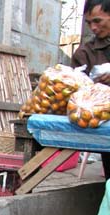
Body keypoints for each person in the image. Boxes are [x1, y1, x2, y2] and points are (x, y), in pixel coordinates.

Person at [71, 0, 110, 178]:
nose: (93, 27)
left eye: (97, 21)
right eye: (89, 23)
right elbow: (75, 94)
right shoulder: (85, 54)